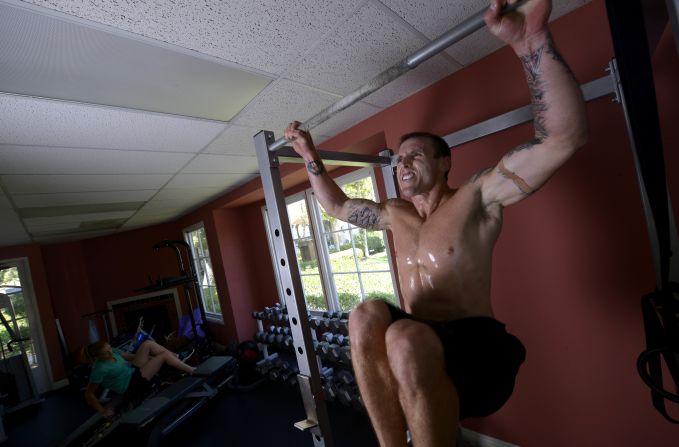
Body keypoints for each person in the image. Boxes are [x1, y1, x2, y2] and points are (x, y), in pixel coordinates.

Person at [284, 0, 588, 445]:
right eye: (398, 159)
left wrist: (531, 42)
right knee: (366, 313)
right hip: (417, 344)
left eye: (415, 156)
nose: (402, 165)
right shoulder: (394, 214)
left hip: (476, 350)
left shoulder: (479, 196)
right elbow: (336, 207)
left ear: (445, 162)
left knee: (405, 336)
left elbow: (563, 138)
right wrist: (311, 158)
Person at [82, 340, 195, 418]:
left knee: (147, 344)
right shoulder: (99, 369)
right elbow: (89, 394)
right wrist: (102, 411)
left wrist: (150, 358)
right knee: (164, 355)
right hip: (131, 386)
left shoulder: (113, 351)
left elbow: (129, 356)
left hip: (133, 373)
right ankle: (192, 370)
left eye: (109, 348)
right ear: (98, 357)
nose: (110, 352)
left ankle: (177, 357)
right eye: (106, 353)